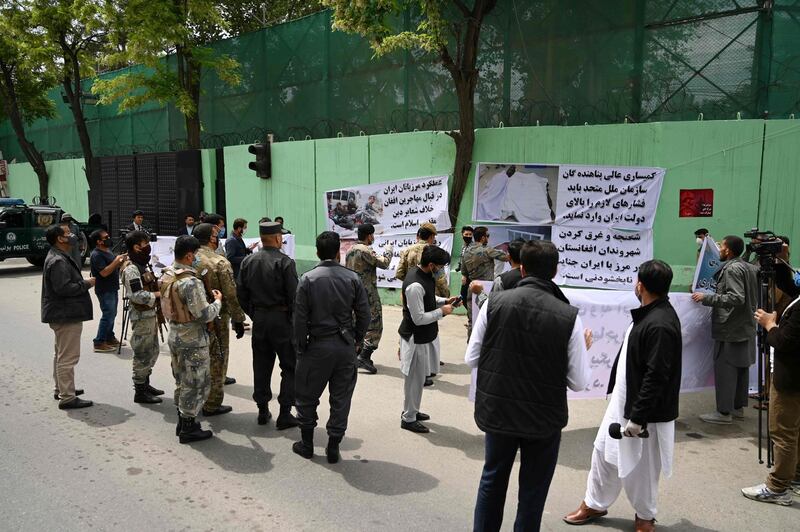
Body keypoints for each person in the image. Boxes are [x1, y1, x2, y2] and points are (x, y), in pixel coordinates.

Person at [466, 240, 592, 531]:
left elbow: (471, 357)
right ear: (555, 271)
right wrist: (581, 348)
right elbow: (578, 381)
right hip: (543, 419)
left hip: (499, 411)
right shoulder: (569, 316)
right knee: (533, 491)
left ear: (521, 268)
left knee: (492, 479)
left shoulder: (494, 304)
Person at [564, 260, 682, 532]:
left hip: (645, 412)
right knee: (603, 453)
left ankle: (645, 516)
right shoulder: (649, 312)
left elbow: (657, 375)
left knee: (643, 467)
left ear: (640, 285)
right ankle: (595, 502)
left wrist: (639, 418)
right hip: (623, 403)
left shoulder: (661, 323)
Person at [292, 231, 370, 463]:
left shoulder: (307, 279)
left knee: (306, 397)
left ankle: (307, 445)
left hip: (316, 347)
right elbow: (364, 315)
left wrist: (301, 347)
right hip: (344, 347)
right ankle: (333, 445)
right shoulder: (352, 278)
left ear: (317, 252)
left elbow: (299, 319)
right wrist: (357, 340)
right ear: (339, 252)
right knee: (341, 398)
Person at [741, 248, 800, 506]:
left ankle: (777, 488)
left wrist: (769, 324)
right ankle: (795, 476)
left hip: (790, 379)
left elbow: (785, 341)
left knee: (783, 432)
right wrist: (779, 261)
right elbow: (791, 285)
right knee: (796, 431)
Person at [159, 235, 223, 443]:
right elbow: (204, 314)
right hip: (193, 338)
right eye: (195, 255)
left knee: (181, 379)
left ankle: (182, 420)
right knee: (196, 382)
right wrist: (218, 302)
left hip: (175, 334)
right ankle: (189, 426)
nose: (197, 259)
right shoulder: (190, 282)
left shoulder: (168, 274)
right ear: (188, 255)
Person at [237, 222, 300, 428]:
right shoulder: (285, 262)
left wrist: (254, 313)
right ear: (277, 238)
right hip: (281, 319)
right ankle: (284, 413)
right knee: (289, 366)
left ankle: (263, 411)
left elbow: (241, 294)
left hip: (261, 319)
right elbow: (295, 297)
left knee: (261, 365)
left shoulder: (249, 261)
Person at [691, 235, 758, 425]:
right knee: (740, 369)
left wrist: (707, 297)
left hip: (730, 328)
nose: (719, 248)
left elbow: (737, 298)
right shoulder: (748, 267)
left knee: (726, 370)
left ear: (728, 250)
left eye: (721, 245)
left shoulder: (732, 269)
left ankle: (723, 413)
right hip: (743, 327)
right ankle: (737, 409)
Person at [399, 245, 458, 434]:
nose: (441, 270)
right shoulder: (415, 285)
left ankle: (413, 411)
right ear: (431, 264)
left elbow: (428, 297)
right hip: (415, 338)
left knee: (418, 379)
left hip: (423, 338)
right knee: (414, 380)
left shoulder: (423, 275)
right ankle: (408, 418)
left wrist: (444, 301)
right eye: (440, 266)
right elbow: (419, 318)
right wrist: (442, 312)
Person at [193, 223, 247, 416]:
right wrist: (239, 318)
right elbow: (231, 294)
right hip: (216, 316)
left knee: (195, 359)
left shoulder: (188, 259)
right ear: (212, 238)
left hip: (190, 318)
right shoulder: (219, 262)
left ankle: (193, 400)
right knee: (218, 358)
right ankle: (213, 403)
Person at [41, 224, 95, 409]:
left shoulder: (60, 256)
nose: (72, 235)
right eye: (67, 233)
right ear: (60, 239)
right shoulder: (58, 261)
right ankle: (67, 397)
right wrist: (86, 284)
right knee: (68, 358)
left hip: (62, 313)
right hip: (65, 314)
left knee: (60, 355)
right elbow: (63, 288)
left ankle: (62, 389)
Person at [121, 230, 165, 404]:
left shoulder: (142, 264)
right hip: (141, 316)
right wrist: (159, 294)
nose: (148, 247)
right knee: (142, 353)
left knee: (152, 351)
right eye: (145, 244)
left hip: (150, 314)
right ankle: (139, 390)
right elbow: (137, 295)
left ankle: (145, 383)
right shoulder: (131, 268)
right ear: (136, 247)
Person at [345, 223, 393, 374]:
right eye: (373, 235)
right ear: (369, 235)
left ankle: (354, 354)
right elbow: (384, 263)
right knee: (375, 324)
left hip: (353, 293)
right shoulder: (365, 250)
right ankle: (364, 356)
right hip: (368, 294)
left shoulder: (350, 250)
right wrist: (389, 250)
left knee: (355, 323)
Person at [461, 226, 510, 336]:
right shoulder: (487, 250)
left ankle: (471, 346)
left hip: (472, 287)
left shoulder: (466, 251)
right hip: (485, 289)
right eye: (487, 236)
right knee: (488, 320)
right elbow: (506, 258)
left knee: (472, 321)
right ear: (483, 238)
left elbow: (464, 271)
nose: (488, 238)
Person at [89, 229, 125, 352]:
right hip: (104, 289)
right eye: (106, 237)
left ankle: (109, 337)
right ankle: (99, 342)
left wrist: (121, 261)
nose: (109, 238)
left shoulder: (107, 251)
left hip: (112, 287)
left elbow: (114, 266)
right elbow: (104, 272)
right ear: (99, 242)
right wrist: (116, 261)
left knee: (112, 313)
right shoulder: (96, 255)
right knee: (108, 314)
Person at [395, 223, 450, 297]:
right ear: (431, 236)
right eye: (434, 237)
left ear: (419, 236)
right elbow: (440, 280)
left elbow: (399, 274)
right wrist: (446, 297)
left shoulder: (406, 251)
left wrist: (412, 283)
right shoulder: (434, 252)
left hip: (411, 294)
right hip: (431, 296)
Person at [470, 238, 525, 308]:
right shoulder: (537, 279)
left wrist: (479, 293)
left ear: (508, 256)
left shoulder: (501, 280)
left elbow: (491, 309)